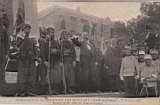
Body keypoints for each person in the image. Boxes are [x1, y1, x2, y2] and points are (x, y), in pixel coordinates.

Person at [16, 23, 37, 96]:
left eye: (29, 28)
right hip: (22, 59)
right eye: (26, 28)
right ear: (23, 29)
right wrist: (25, 37)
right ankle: (22, 91)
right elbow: (18, 46)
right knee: (22, 75)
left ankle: (30, 90)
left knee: (31, 75)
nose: (28, 30)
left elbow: (35, 48)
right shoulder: (20, 37)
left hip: (31, 59)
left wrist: (36, 56)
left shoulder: (32, 38)